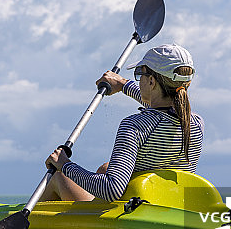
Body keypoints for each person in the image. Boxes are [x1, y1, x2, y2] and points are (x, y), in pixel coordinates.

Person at [40, 43, 204, 202]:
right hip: (167, 205)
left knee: (58, 176)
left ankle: (26, 227)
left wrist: (65, 164)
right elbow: (161, 107)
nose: (139, 80)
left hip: (130, 214)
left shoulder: (135, 126)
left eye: (140, 74)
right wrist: (123, 84)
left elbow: (112, 190)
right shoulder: (195, 123)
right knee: (106, 168)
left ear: (152, 82)